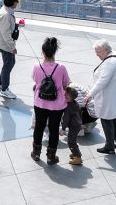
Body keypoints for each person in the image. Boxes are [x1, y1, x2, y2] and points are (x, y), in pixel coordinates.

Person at [84, 40, 116, 155]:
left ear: (105, 50)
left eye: (98, 52)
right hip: (115, 96)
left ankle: (109, 146)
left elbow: (102, 81)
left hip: (108, 98)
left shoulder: (109, 63)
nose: (97, 54)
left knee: (106, 120)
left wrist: (90, 94)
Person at [30, 36, 70, 165]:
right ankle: (51, 156)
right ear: (54, 52)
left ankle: (36, 153)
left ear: (43, 52)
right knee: (54, 129)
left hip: (40, 102)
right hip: (57, 105)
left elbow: (35, 81)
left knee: (39, 128)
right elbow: (66, 84)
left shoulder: (36, 66)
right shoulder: (61, 67)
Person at [0, 0, 20, 96]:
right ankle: (4, 89)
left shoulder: (7, 11)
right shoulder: (5, 15)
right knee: (8, 64)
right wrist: (12, 47)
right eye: (16, 1)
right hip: (5, 44)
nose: (17, 3)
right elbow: (6, 33)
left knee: (10, 63)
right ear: (13, 2)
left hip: (5, 43)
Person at [62, 84, 85, 166]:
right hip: (77, 125)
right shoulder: (75, 103)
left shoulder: (68, 107)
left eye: (65, 96)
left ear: (69, 98)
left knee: (71, 142)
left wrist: (63, 129)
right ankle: (75, 153)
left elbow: (66, 119)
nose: (64, 97)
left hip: (74, 126)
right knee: (72, 141)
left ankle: (78, 157)